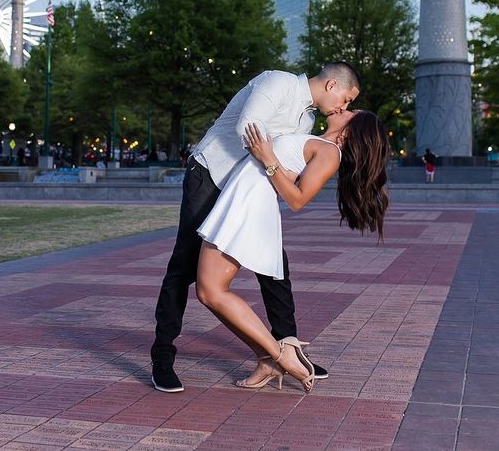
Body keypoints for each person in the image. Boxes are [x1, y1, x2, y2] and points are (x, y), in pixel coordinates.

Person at [150, 62, 361, 393]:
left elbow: (285, 167)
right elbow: (247, 127)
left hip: (246, 196)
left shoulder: (306, 120)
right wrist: (273, 157)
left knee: (275, 265)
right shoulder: (278, 82)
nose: (344, 107)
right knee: (184, 266)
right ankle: (162, 358)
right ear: (332, 85)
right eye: (346, 100)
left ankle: (286, 349)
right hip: (212, 177)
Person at [196, 110, 389, 392]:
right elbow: (286, 170)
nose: (342, 109)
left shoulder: (330, 153)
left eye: (350, 110)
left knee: (211, 291)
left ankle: (280, 356)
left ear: (349, 131)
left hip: (250, 205)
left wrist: (268, 158)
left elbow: (297, 200)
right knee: (209, 292)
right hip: (245, 197)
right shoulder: (315, 140)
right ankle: (269, 358)